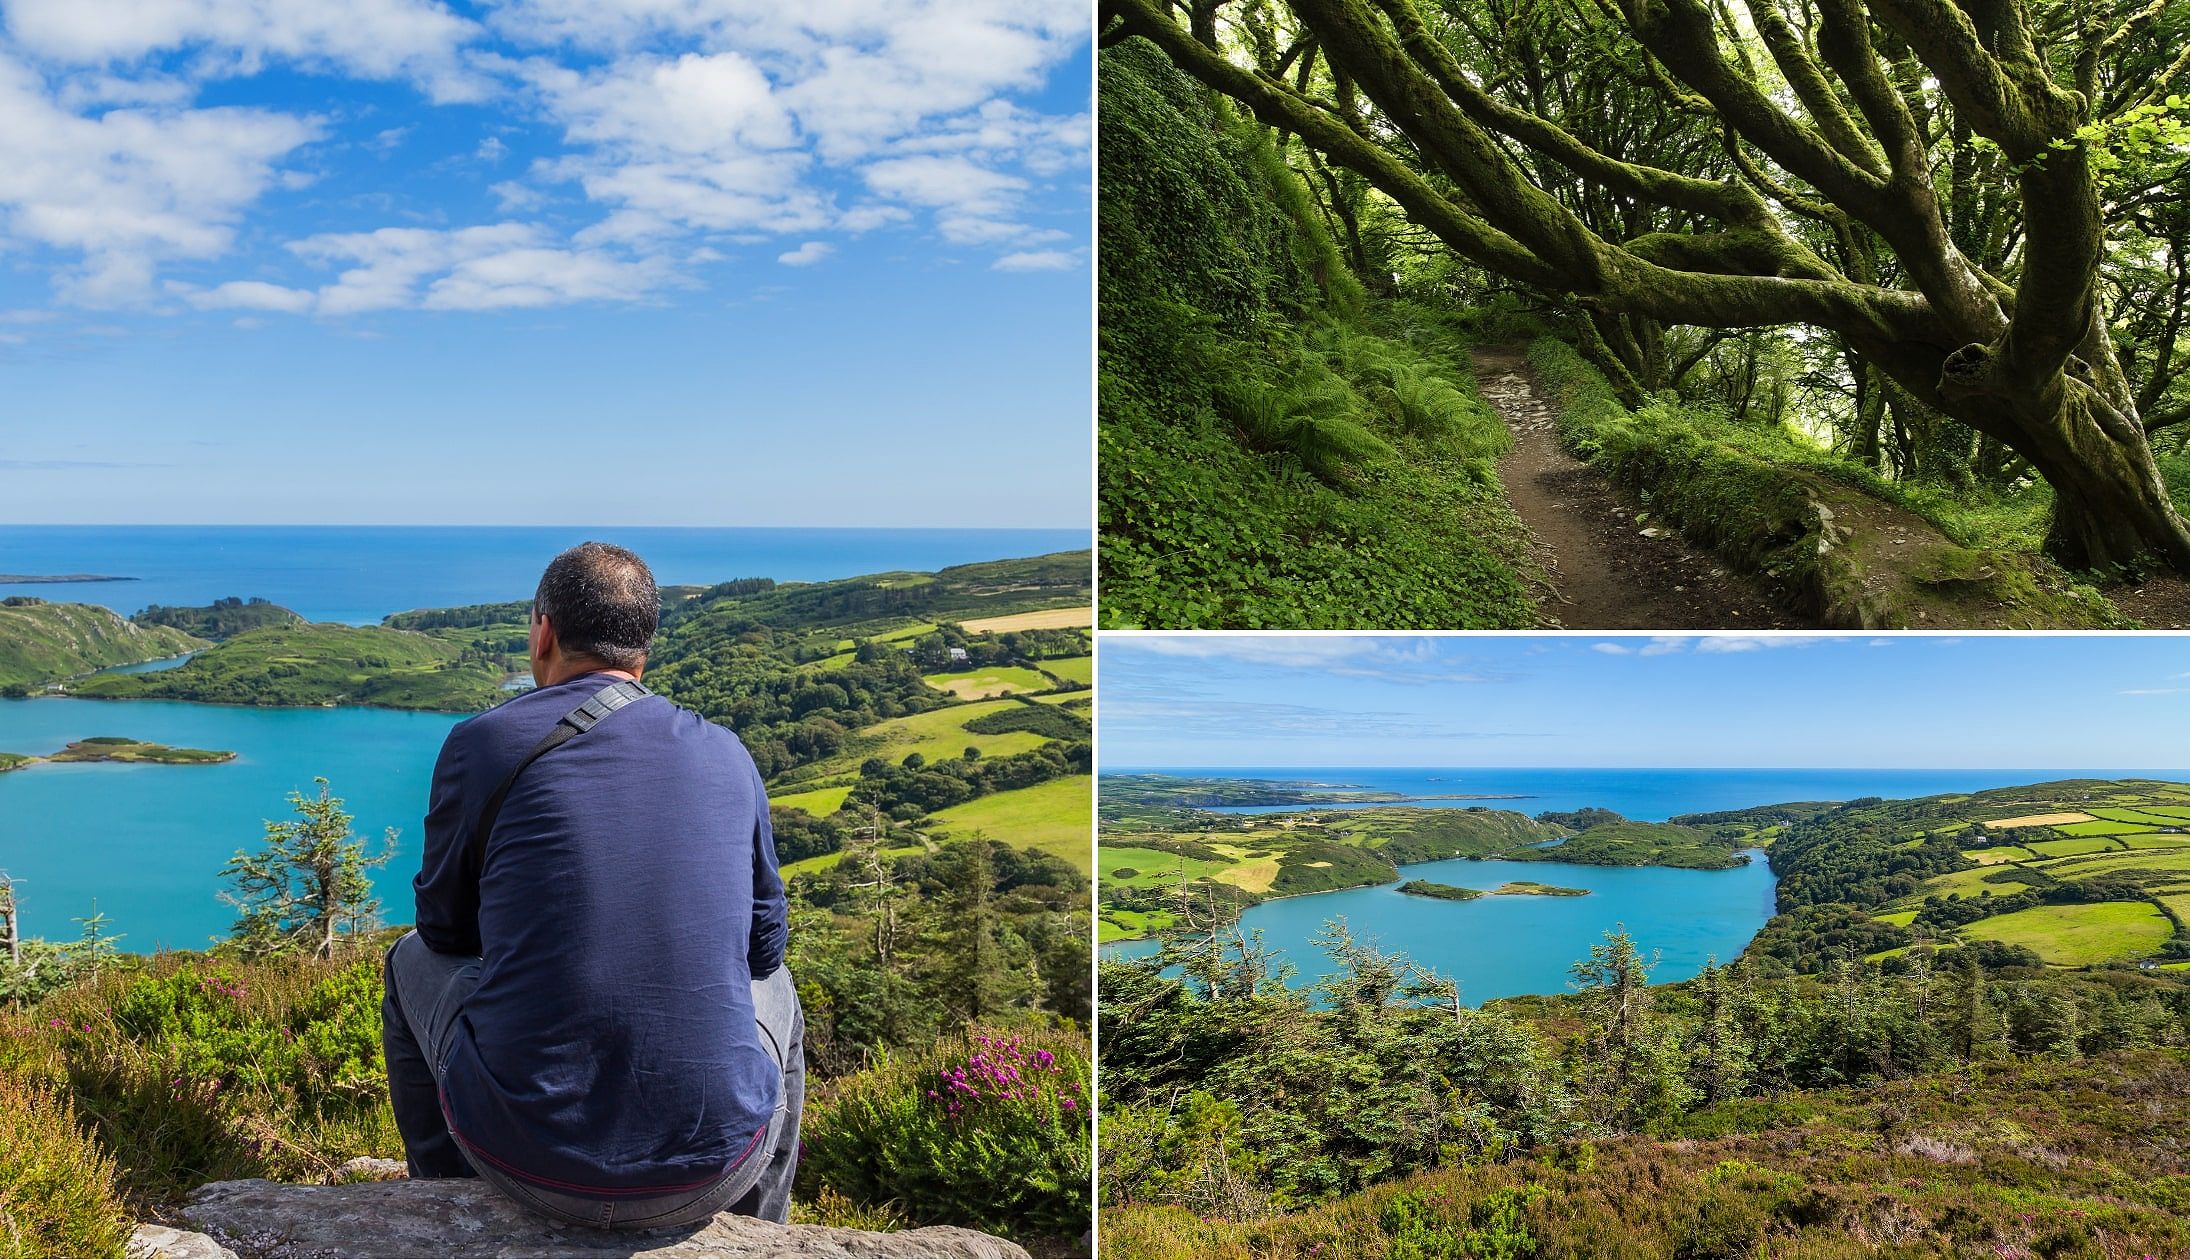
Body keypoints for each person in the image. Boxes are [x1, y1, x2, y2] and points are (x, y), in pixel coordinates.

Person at [380, 541, 802, 1230]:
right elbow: (763, 949)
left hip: (522, 1162)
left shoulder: (483, 743)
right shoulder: (726, 750)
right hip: (713, 1171)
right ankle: (759, 1231)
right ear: (645, 648)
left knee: (408, 960)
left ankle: (445, 1204)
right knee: (779, 987)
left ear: (543, 631)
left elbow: (444, 933)